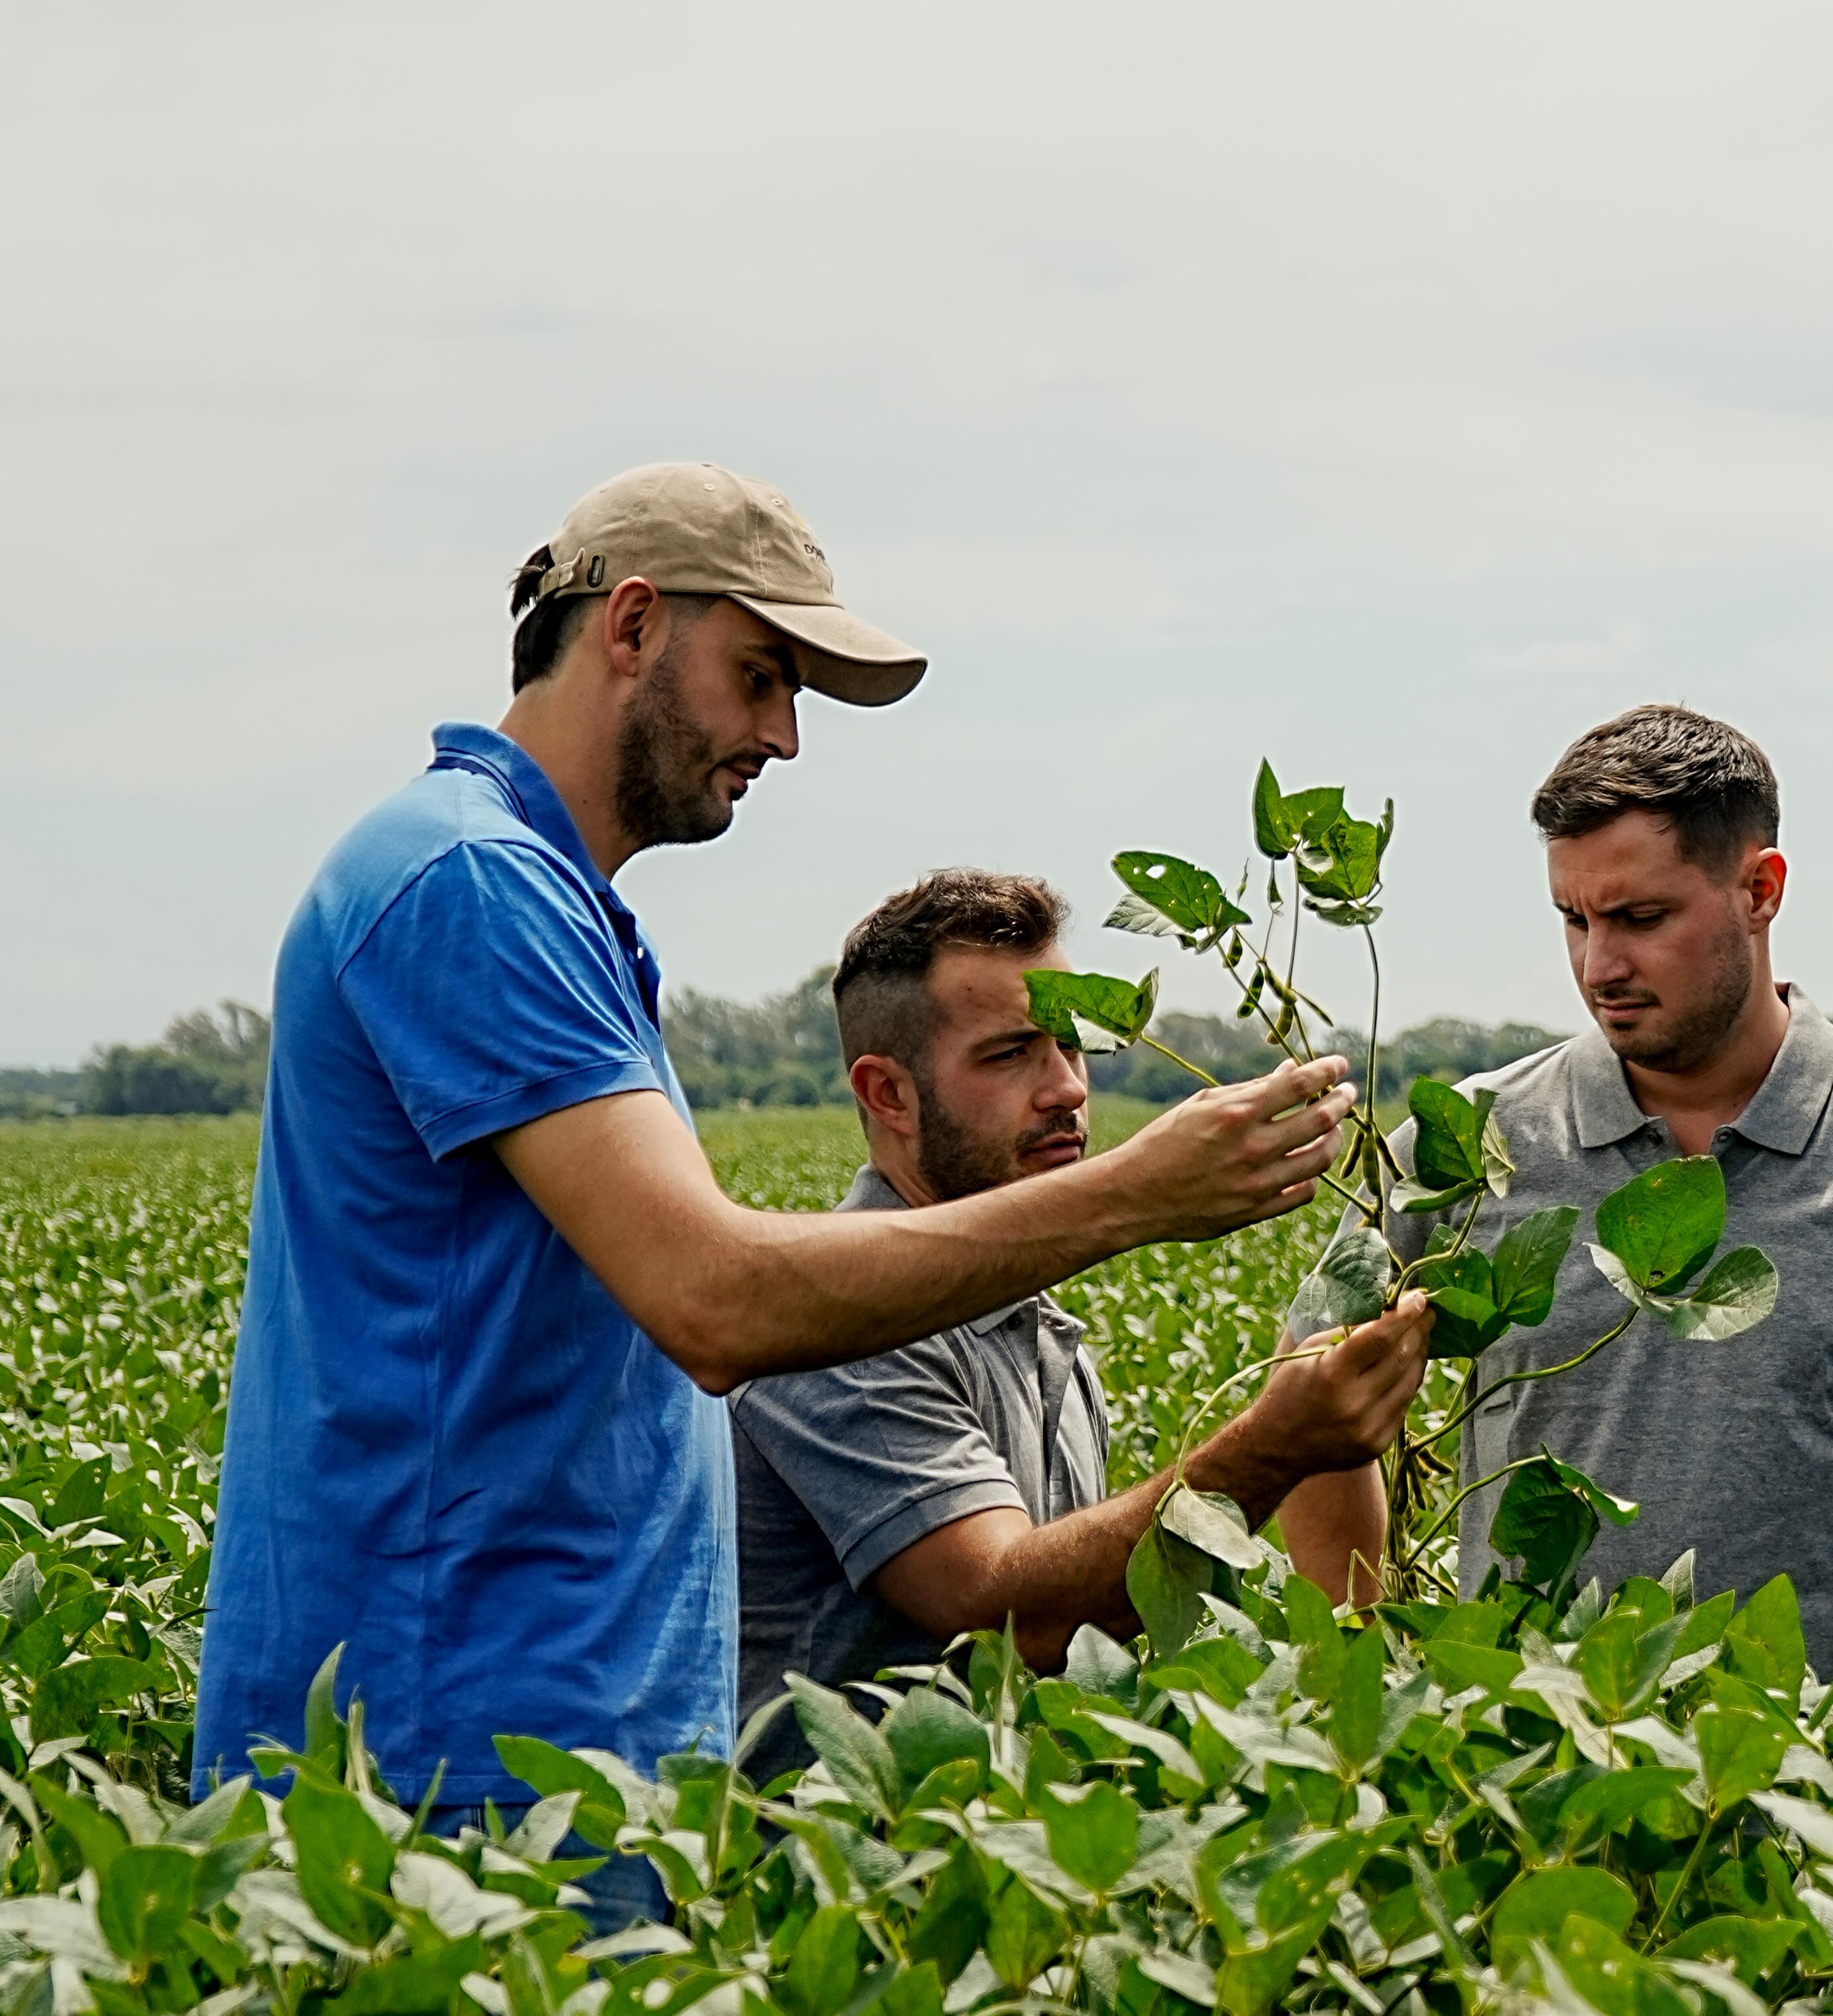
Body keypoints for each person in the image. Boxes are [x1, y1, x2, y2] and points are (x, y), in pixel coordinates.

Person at [194, 463, 1358, 1816]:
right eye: (760, 675)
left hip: (552, 1738)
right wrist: (1136, 1198)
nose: (785, 737)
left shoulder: (547, 901)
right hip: (452, 1745)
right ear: (628, 627)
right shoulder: (470, 882)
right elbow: (713, 1298)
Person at [1285, 703, 1833, 1695]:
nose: (1601, 967)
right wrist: (1368, 1672)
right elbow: (1308, 1392)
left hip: (1829, 1807)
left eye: (1642, 919)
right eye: (1574, 921)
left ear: (1761, 891)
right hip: (1514, 1788)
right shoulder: (1464, 1143)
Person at [732, 869, 1431, 1744]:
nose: (1066, 1087)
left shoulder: (1034, 1326)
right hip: (826, 1866)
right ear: (888, 1095)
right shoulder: (838, 1323)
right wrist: (1275, 1447)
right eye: (1010, 1053)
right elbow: (1003, 1615)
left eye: (1072, 1046)